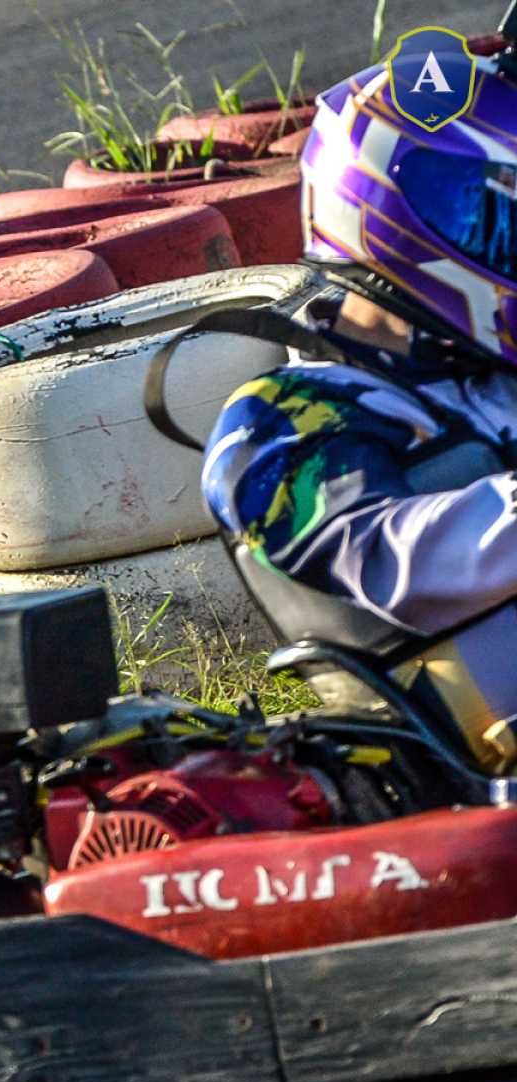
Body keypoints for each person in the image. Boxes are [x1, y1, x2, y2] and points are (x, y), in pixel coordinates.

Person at [201, 48, 517, 773]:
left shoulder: (492, 384)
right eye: (500, 218)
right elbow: (390, 563)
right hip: (461, 774)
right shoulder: (284, 419)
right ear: (402, 211)